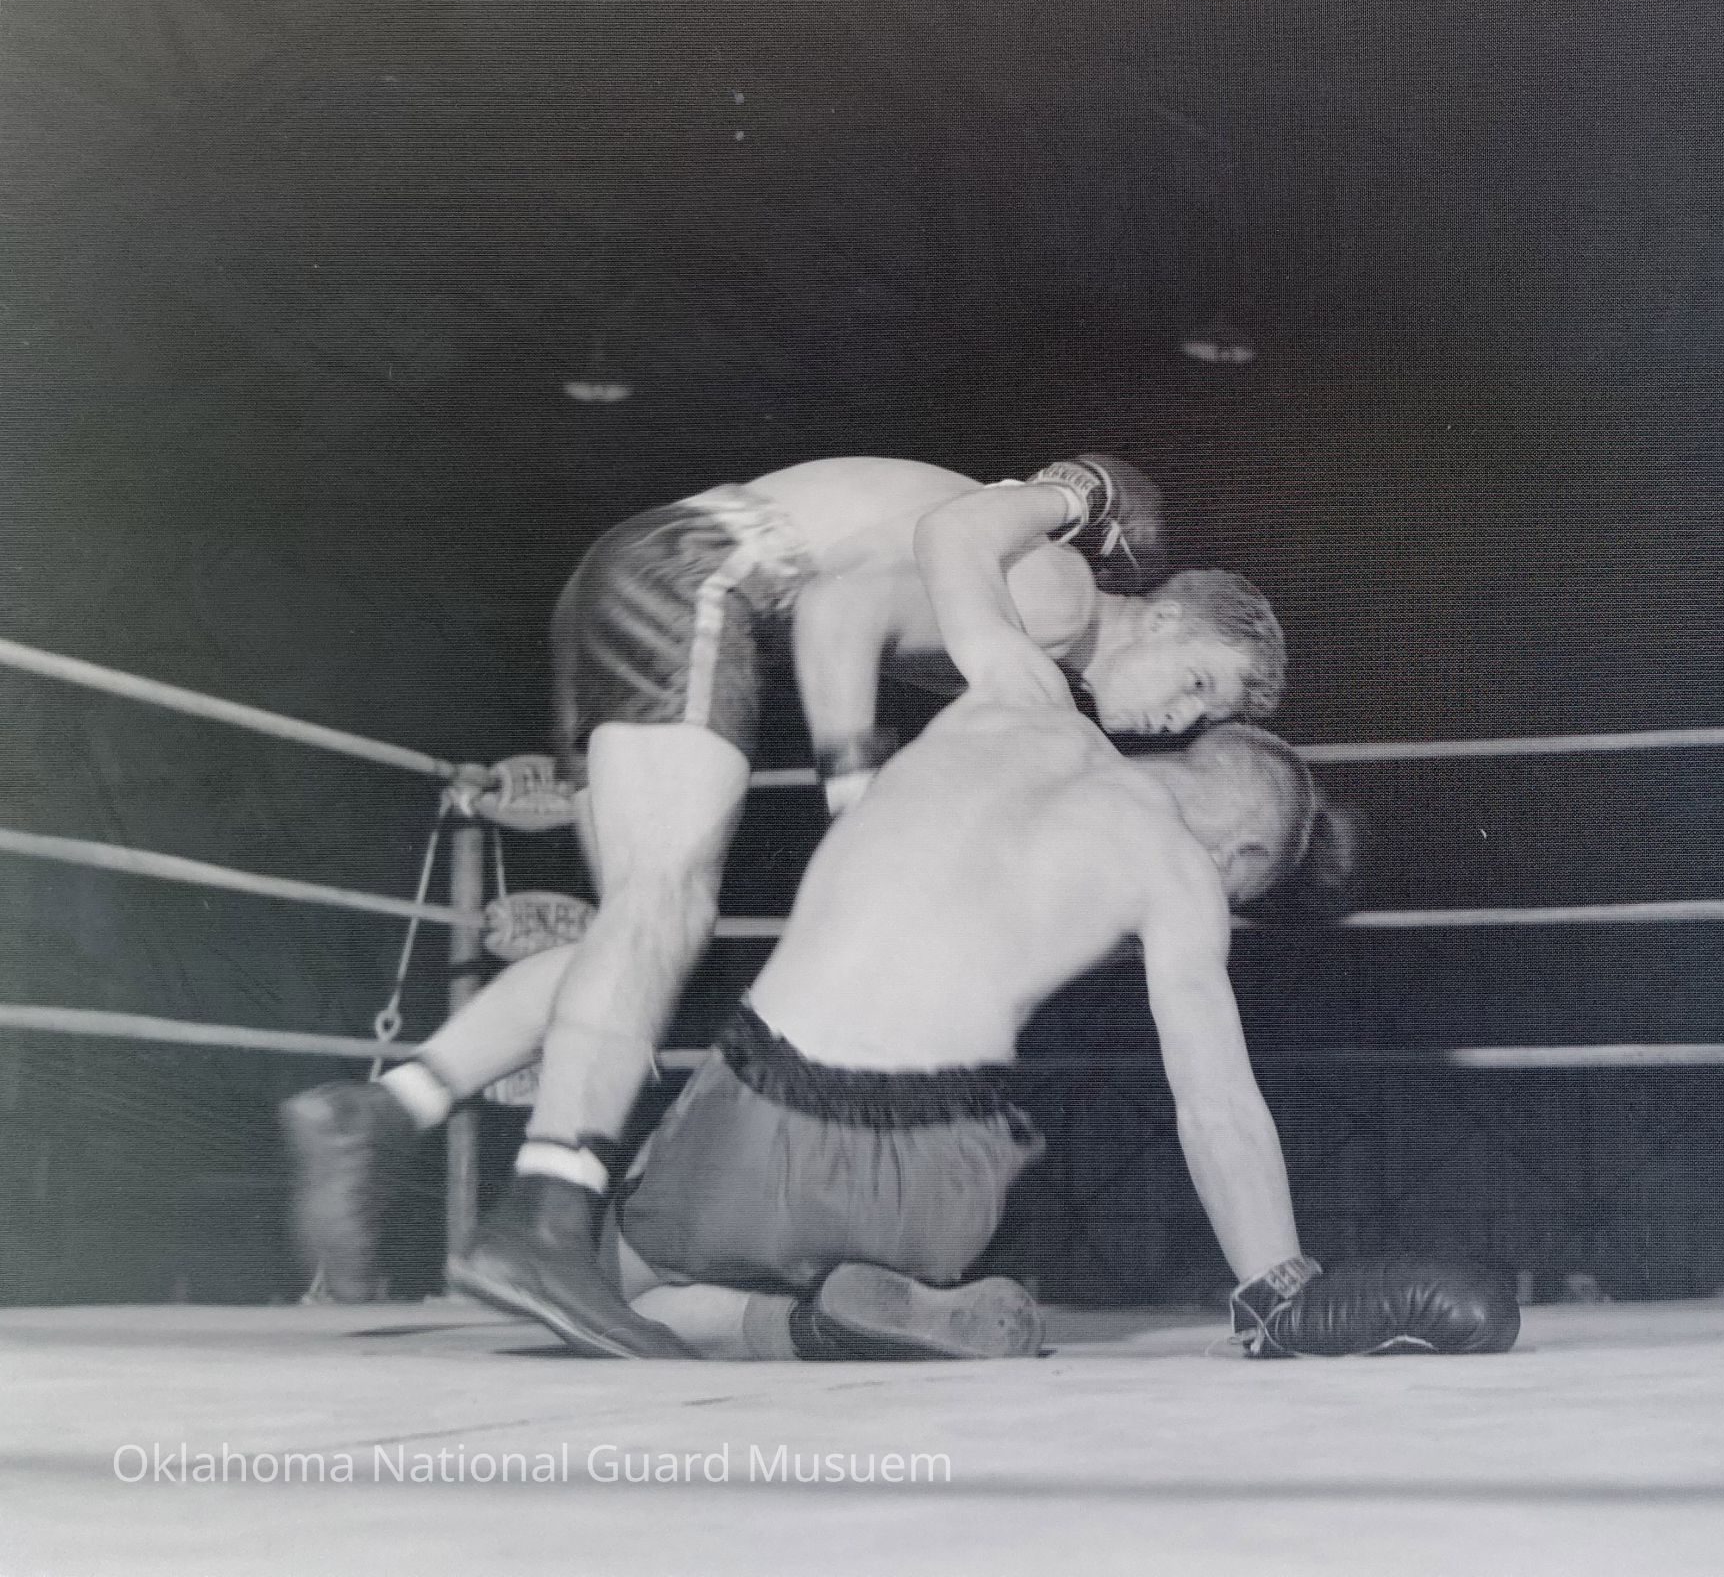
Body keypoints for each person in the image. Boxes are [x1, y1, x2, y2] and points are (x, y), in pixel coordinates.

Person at [459, 480, 1510, 1360]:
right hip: (942, 1178)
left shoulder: (1018, 691)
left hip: (767, 1113)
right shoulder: (1181, 884)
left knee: (616, 1289)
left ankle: (788, 1322)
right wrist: (1278, 1290)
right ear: (1238, 861)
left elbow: (948, 534)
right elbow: (1216, 1104)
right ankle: (846, 1304)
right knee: (969, 1128)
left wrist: (1077, 495)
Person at [283, 455, 1287, 1327]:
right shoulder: (1064, 593)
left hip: (653, 573)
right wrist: (855, 798)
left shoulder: (1034, 650)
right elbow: (837, 610)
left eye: (1208, 717)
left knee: (640, 950)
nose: (1180, 721)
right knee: (663, 912)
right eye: (1198, 681)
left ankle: (382, 1112)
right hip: (705, 577)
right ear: (1162, 616)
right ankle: (543, 1221)